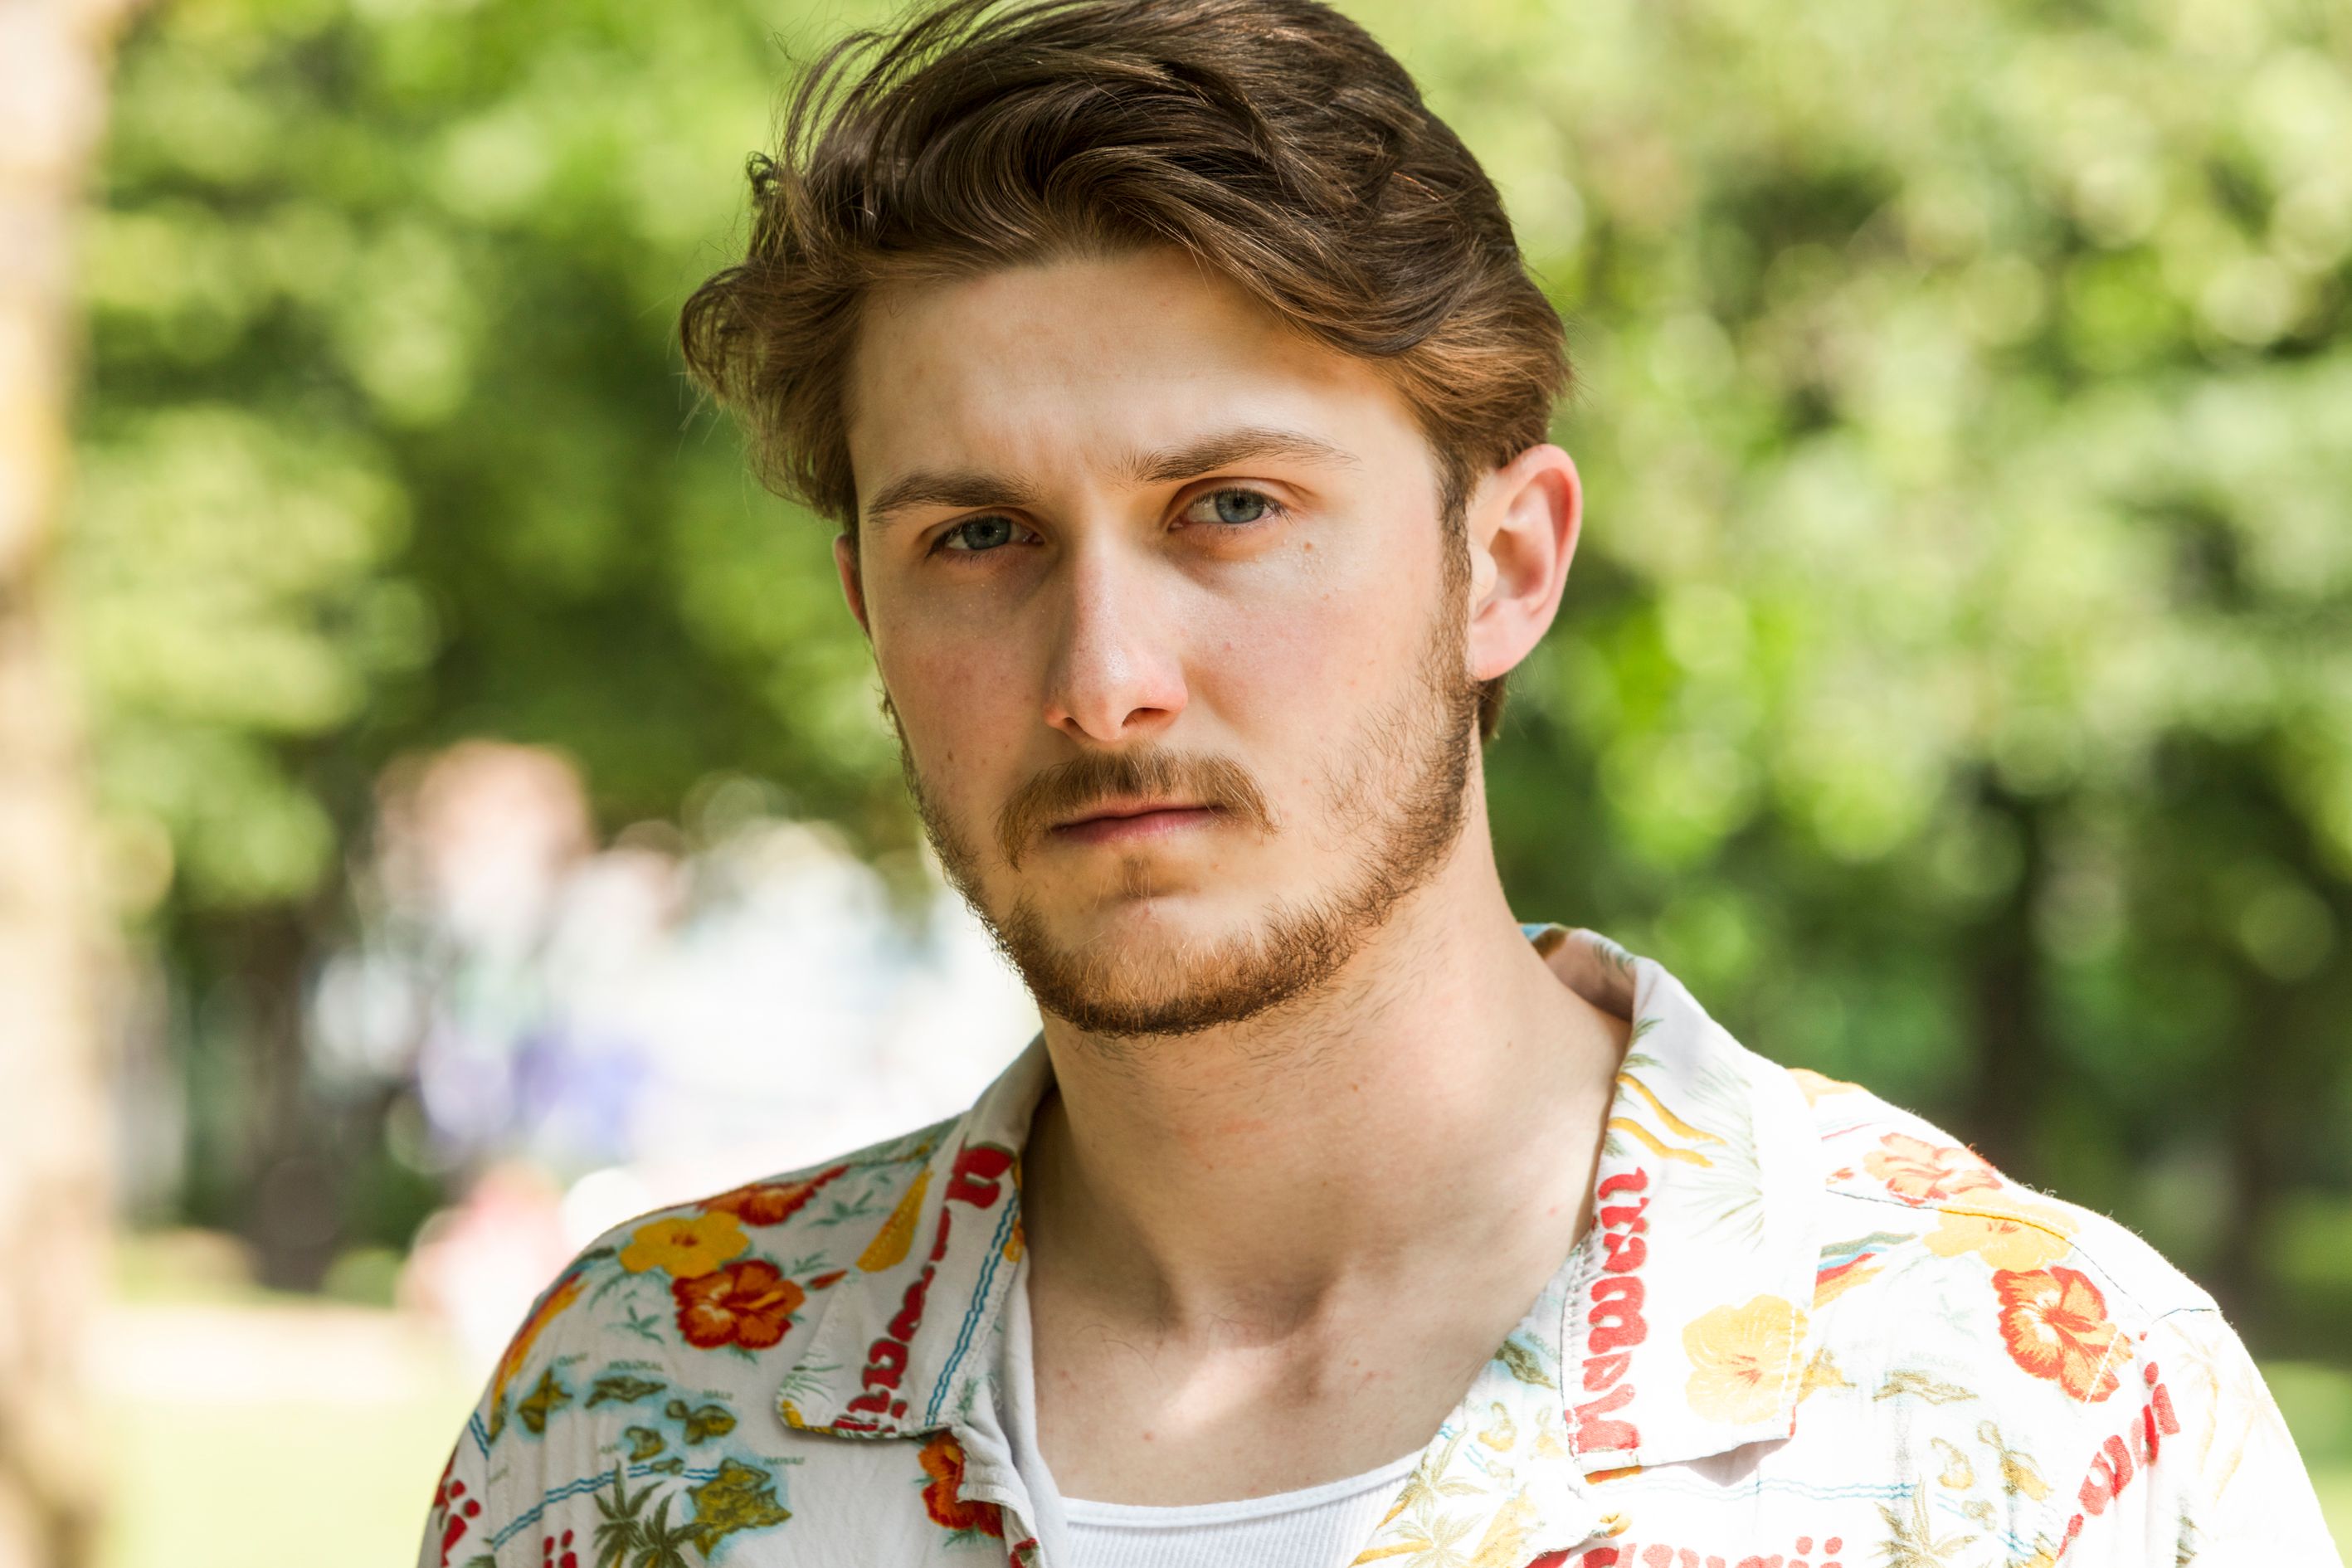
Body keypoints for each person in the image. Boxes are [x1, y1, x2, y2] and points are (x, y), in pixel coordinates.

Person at [413, 1, 2341, 1564]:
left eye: (1229, 507)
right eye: (977, 539)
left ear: (1502, 565)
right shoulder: (624, 1417)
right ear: (867, 608)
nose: (1102, 680)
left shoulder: (2036, 1421)